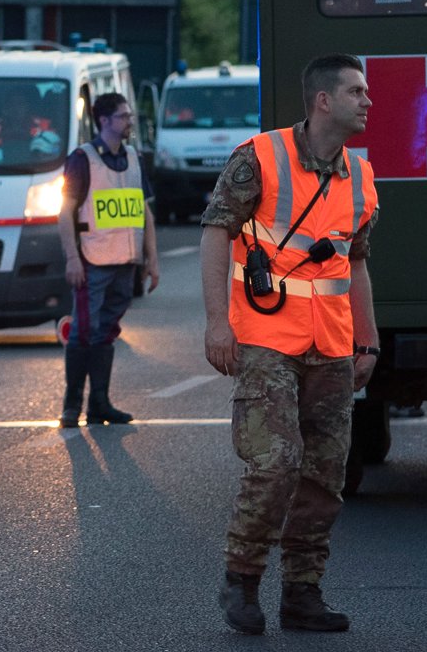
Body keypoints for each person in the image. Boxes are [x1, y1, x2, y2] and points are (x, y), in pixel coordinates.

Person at [201, 53, 380, 636]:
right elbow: (214, 231)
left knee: (326, 473)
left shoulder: (362, 176)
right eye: (356, 91)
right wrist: (216, 324)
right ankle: (242, 578)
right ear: (323, 101)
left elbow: (355, 265)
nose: (368, 100)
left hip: (330, 344)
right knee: (277, 462)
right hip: (263, 339)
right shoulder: (261, 157)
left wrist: (368, 343)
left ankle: (303, 594)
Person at [56, 92, 159, 427]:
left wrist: (151, 260)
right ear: (104, 121)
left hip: (124, 263)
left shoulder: (132, 156)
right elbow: (65, 212)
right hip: (92, 260)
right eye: (123, 116)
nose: (129, 121)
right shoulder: (83, 159)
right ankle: (72, 406)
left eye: (129, 116)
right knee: (84, 331)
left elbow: (145, 213)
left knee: (107, 330)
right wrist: (72, 258)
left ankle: (99, 403)